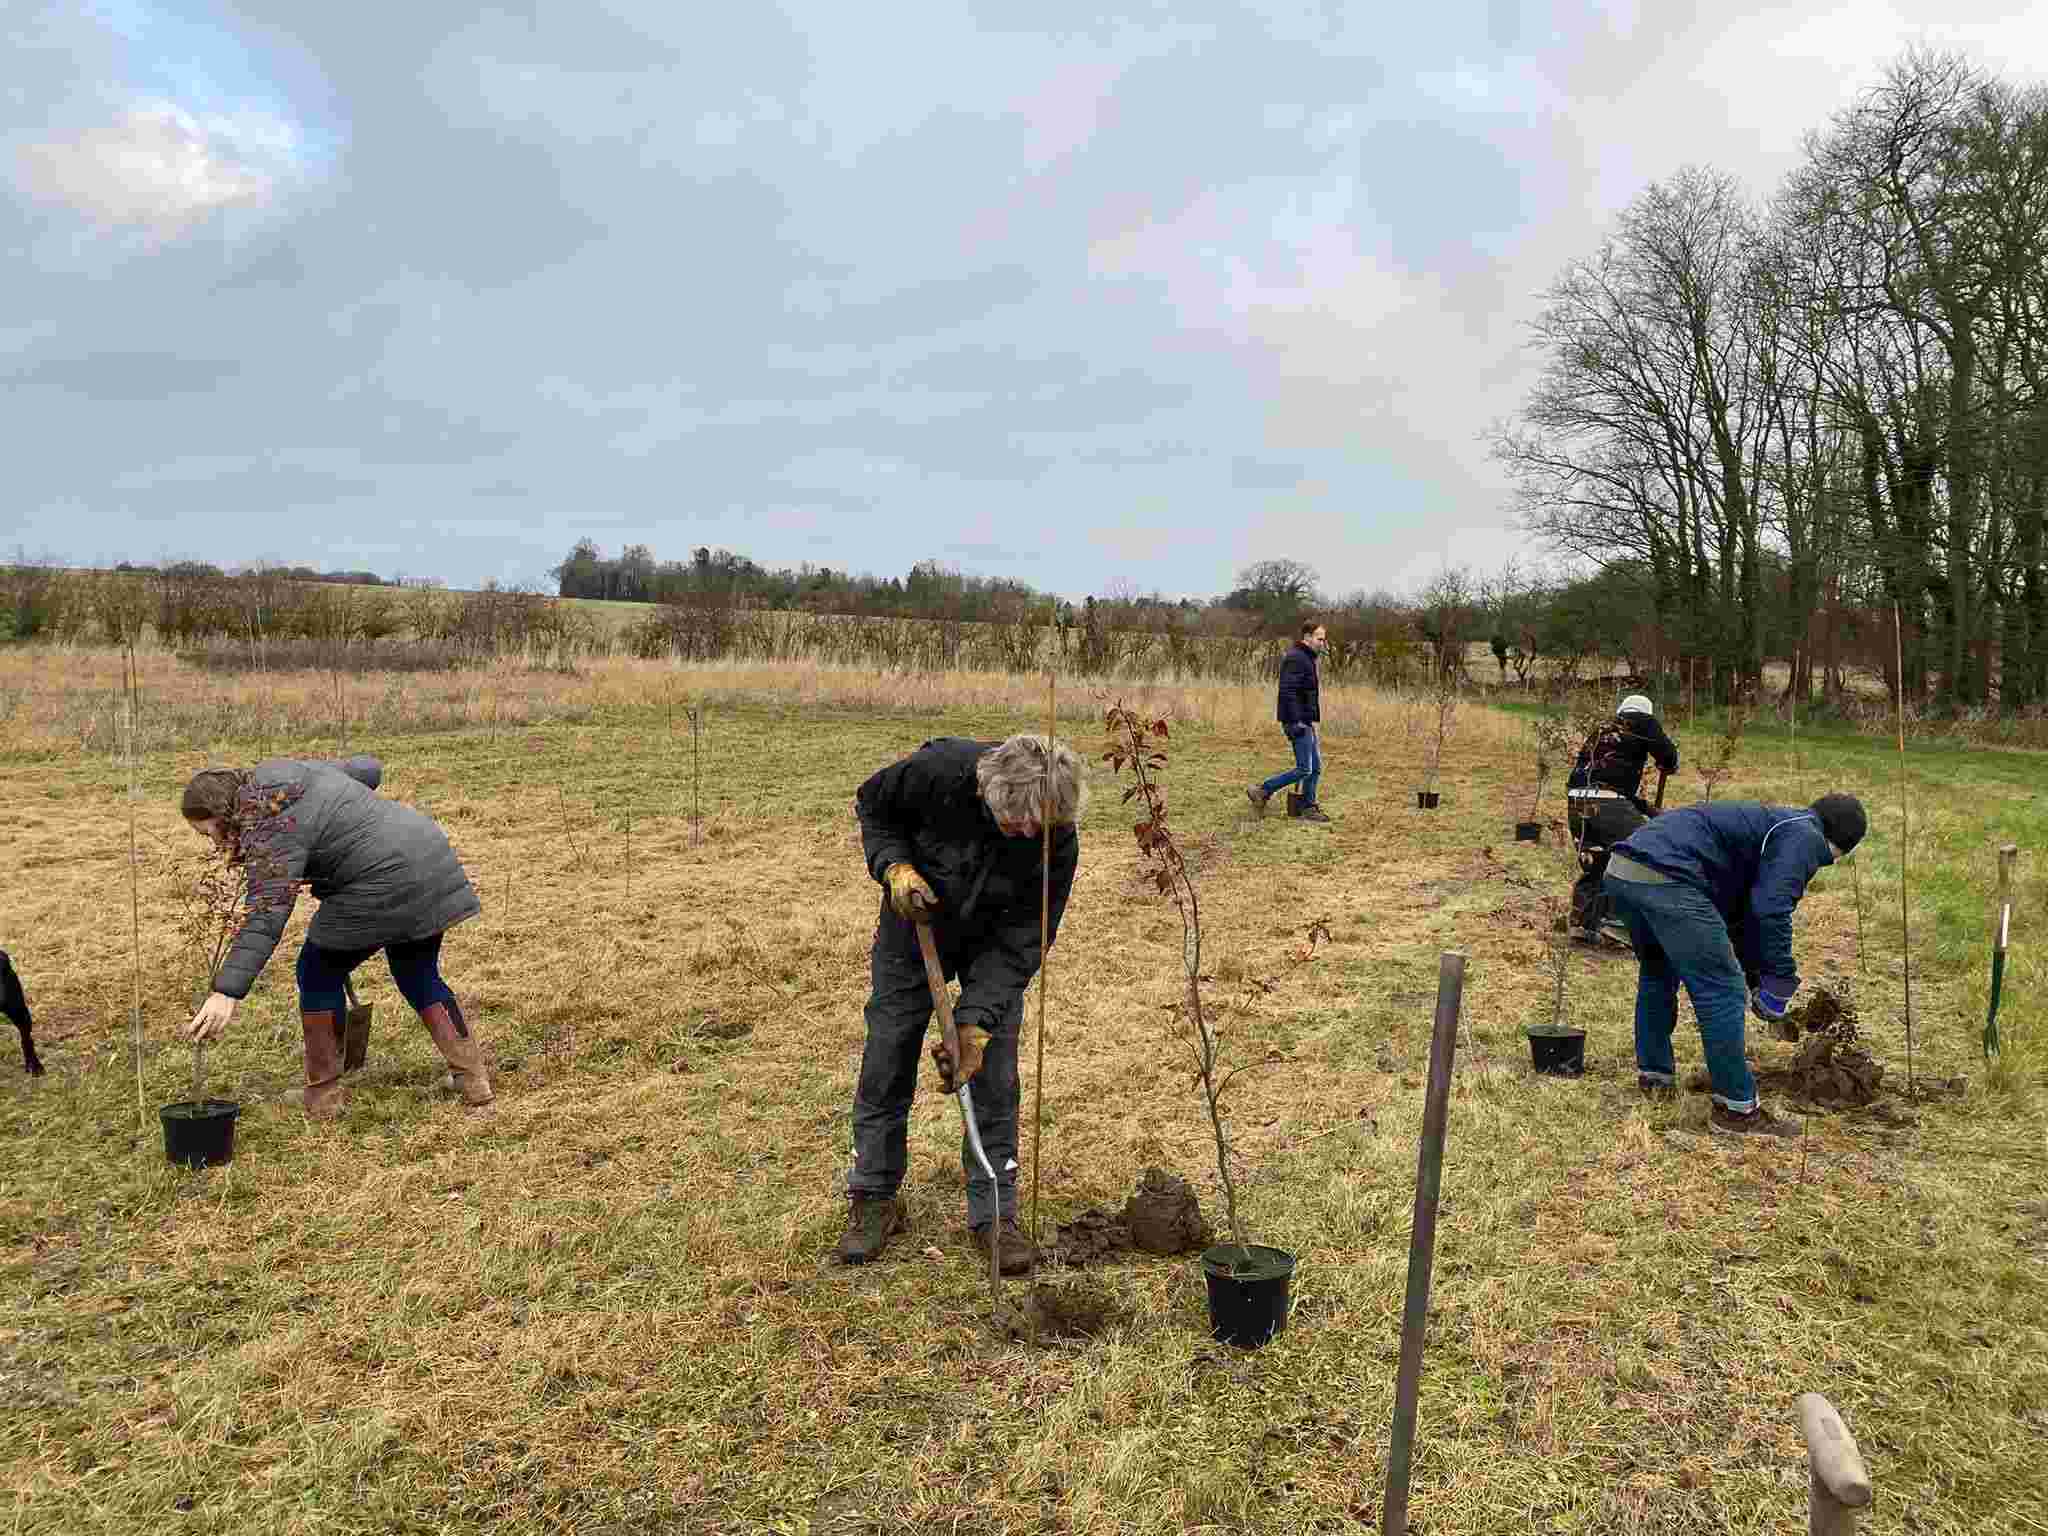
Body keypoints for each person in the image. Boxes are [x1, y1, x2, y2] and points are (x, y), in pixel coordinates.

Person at [840, 733, 1084, 1272]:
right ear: (990, 792)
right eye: (1016, 820)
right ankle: (874, 1199)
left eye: (1038, 827)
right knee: (888, 1051)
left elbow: (1026, 937)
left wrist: (975, 1025)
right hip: (915, 925)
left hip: (993, 940)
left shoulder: (1056, 841)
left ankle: (995, 1215)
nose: (1027, 832)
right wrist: (894, 867)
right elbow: (874, 807)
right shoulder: (936, 773)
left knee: (993, 1069)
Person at [179, 755, 491, 1119]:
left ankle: (324, 1095)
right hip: (427, 854)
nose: (213, 843)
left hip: (381, 880)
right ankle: (472, 1079)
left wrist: (226, 991)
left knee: (317, 971)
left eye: (210, 832)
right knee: (417, 973)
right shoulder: (293, 775)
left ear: (226, 813)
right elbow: (369, 769)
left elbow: (266, 916)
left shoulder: (271, 828)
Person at [1602, 793, 1868, 1137]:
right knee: (1723, 990)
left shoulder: (1774, 824)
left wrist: (1756, 976)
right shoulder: (1805, 836)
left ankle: (1656, 1078)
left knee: (1659, 970)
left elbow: (1742, 918)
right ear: (1839, 845)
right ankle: (1736, 1109)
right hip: (1668, 877)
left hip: (1624, 869)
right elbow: (1770, 909)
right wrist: (1779, 978)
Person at [1566, 693, 1679, 940]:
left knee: (1597, 862)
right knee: (1642, 850)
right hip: (1606, 801)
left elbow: (1607, 783)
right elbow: (1667, 755)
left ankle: (1582, 922)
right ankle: (1619, 921)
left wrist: (1646, 808)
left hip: (1577, 801)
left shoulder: (1601, 732)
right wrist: (1669, 763)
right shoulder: (1642, 720)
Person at [1246, 620, 1329, 823]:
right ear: (1307, 637)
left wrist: (1310, 721)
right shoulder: (1296, 658)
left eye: (1324, 639)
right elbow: (1287, 692)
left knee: (1315, 767)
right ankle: (1263, 790)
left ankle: (1308, 806)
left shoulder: (1307, 658)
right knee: (1304, 768)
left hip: (1305, 720)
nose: (1322, 643)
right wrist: (1295, 722)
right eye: (1319, 639)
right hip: (1297, 721)